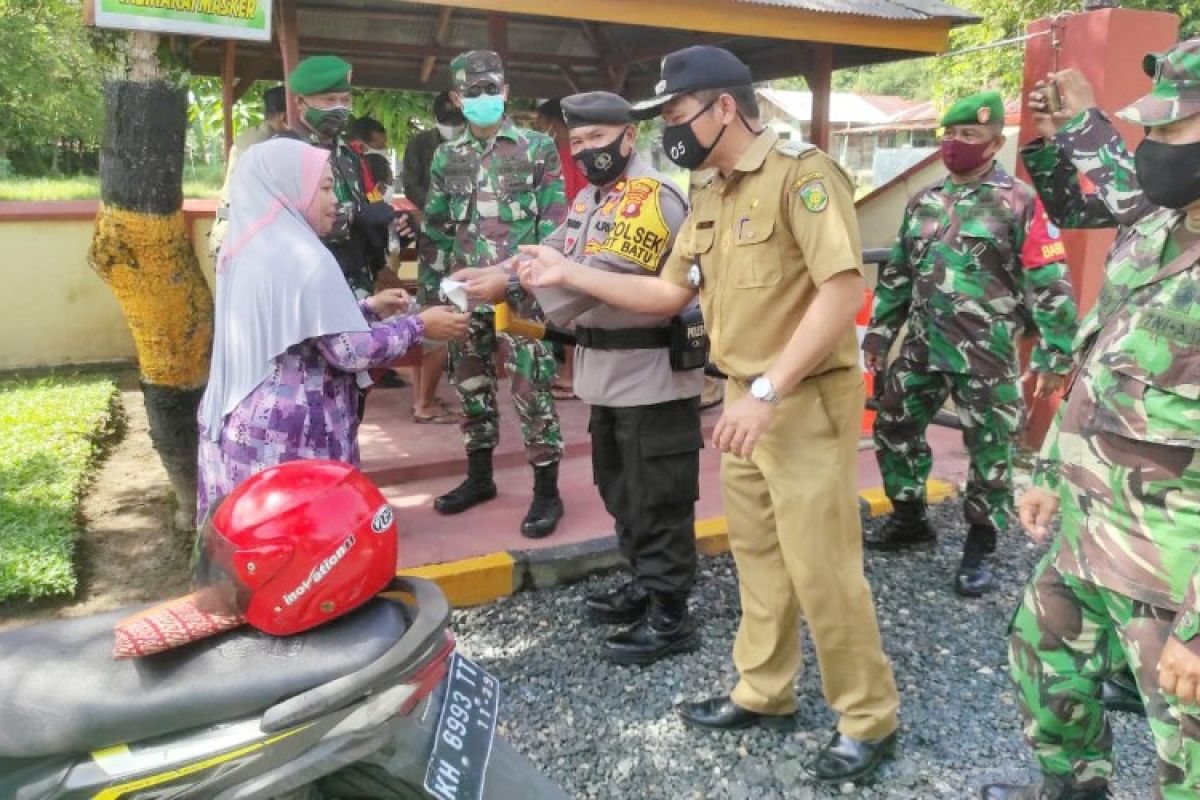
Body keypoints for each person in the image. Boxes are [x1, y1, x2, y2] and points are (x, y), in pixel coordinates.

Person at [519, 46, 900, 784]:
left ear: (724, 106)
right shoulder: (710, 189)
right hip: (740, 400)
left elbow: (840, 290)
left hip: (799, 400)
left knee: (823, 569)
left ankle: (868, 718)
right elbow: (667, 295)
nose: (669, 130)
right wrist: (567, 272)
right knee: (757, 556)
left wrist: (768, 392)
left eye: (675, 114)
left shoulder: (803, 176)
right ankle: (765, 690)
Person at [982, 40, 1200, 800]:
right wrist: (1047, 471)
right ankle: (1074, 789)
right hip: (1089, 532)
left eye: (1175, 132)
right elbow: (1098, 365)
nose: (1156, 149)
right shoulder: (1158, 229)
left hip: (1175, 573)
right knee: (1044, 665)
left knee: (1188, 757)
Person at [463, 91, 701, 664]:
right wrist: (498, 270)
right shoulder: (595, 197)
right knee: (620, 489)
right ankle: (645, 583)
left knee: (656, 496)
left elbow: (595, 274)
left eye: (597, 140)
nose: (586, 151)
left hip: (649, 373)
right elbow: (554, 249)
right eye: (578, 144)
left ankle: (671, 615)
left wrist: (513, 288)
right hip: (607, 372)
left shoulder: (651, 197)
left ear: (628, 137)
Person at [862, 89, 1080, 597]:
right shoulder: (924, 201)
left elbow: (1050, 281)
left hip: (987, 354)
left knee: (992, 452)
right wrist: (879, 332)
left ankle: (980, 544)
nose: (956, 144)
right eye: (951, 134)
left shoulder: (1019, 202)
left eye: (969, 135)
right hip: (921, 347)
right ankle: (910, 517)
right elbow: (897, 273)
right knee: (893, 423)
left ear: (993, 143)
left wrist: (1055, 352)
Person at [195, 138, 468, 524]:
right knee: (305, 556)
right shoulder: (304, 257)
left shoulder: (245, 249)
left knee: (252, 550)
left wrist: (367, 308)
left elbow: (294, 326)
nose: (334, 199)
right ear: (287, 189)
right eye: (323, 188)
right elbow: (349, 350)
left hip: (242, 425)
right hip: (294, 436)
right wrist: (420, 324)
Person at [421, 50, 568, 539]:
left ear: (505, 92)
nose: (483, 98)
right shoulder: (447, 156)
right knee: (471, 385)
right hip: (466, 297)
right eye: (473, 91)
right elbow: (438, 228)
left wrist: (508, 275)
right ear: (457, 98)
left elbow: (555, 231)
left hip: (520, 295)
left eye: (492, 89)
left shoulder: (537, 148)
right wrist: (434, 295)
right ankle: (480, 478)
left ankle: (547, 491)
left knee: (530, 387)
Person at [277, 55, 404, 299]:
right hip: (307, 288)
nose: (339, 107)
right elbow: (280, 225)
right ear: (300, 102)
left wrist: (393, 227)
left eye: (345, 100)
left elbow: (368, 215)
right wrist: (353, 216)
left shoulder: (349, 156)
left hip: (357, 288)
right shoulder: (283, 153)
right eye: (329, 100)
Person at [404, 92, 466, 424]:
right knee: (434, 315)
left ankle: (423, 397)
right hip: (434, 238)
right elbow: (411, 184)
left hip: (466, 242)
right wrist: (437, 209)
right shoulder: (420, 144)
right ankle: (422, 401)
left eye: (459, 122)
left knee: (453, 314)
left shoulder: (474, 144)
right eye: (449, 122)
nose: (455, 129)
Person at [534, 97, 588, 399]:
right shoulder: (575, 155)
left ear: (554, 125)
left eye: (541, 126)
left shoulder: (563, 157)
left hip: (571, 238)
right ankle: (570, 372)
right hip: (574, 235)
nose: (539, 131)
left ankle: (569, 375)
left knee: (571, 308)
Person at [208, 85, 289, 258]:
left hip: (229, 232)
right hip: (240, 238)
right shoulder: (268, 145)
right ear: (285, 117)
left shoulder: (250, 136)